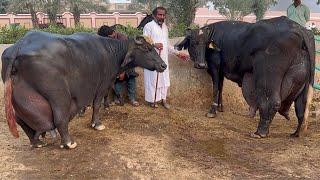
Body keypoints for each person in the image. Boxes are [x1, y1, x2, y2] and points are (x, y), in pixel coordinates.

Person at [143, 7, 189, 109]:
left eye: (163, 15)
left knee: (164, 80)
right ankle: (153, 101)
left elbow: (167, 44)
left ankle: (163, 100)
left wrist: (178, 53)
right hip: (152, 59)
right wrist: (154, 44)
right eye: (160, 15)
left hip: (163, 58)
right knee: (153, 79)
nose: (162, 17)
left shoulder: (165, 27)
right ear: (154, 15)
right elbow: (145, 42)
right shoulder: (148, 26)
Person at [97, 25, 140, 107]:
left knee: (131, 78)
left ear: (112, 34)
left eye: (107, 38)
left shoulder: (122, 39)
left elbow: (126, 56)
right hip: (117, 63)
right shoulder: (108, 39)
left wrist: (122, 71)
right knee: (117, 80)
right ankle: (118, 98)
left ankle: (132, 99)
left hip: (128, 61)